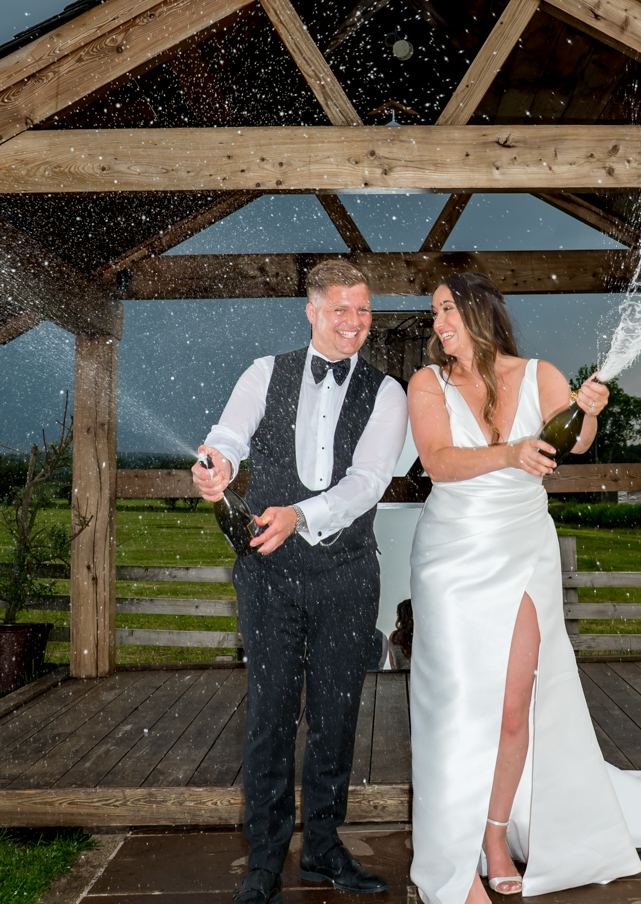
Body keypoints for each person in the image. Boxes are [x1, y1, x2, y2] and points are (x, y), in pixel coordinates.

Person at [406, 272, 641, 904]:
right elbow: (438, 461)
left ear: (481, 313)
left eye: (449, 310)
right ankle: (451, 859)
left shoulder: (541, 373)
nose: (439, 323)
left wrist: (589, 414)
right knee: (455, 708)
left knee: (515, 702)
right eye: (435, 312)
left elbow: (573, 437)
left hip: (522, 548)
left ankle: (496, 836)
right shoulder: (427, 382)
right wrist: (510, 452)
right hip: (451, 557)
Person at [194, 259, 410, 904]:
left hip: (347, 574)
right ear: (311, 311)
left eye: (363, 310)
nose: (354, 323)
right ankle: (263, 861)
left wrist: (300, 516)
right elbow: (227, 435)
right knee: (270, 714)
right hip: (268, 575)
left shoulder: (388, 391)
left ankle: (322, 848)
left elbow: (369, 482)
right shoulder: (265, 371)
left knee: (336, 715)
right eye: (340, 310)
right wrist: (217, 467)